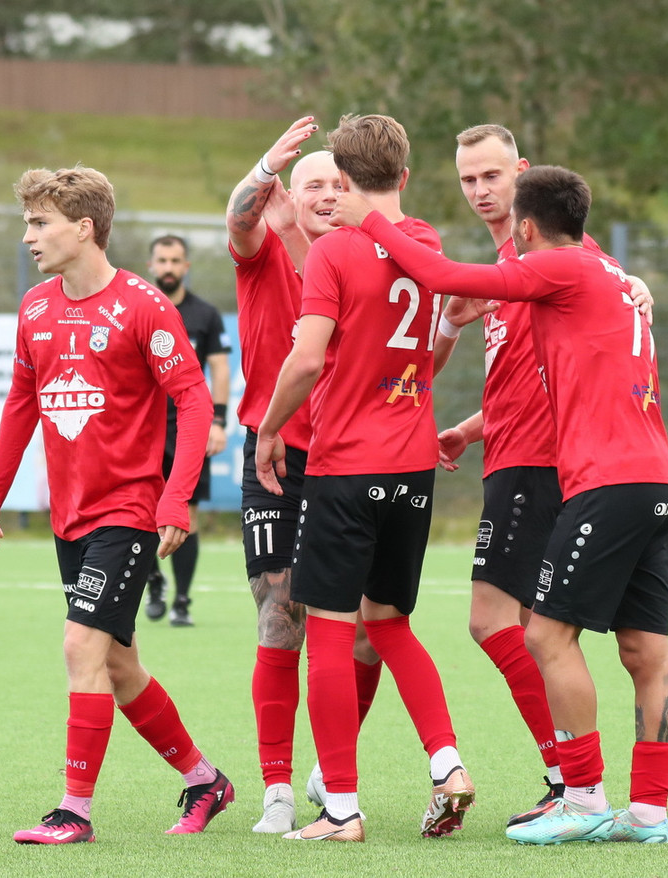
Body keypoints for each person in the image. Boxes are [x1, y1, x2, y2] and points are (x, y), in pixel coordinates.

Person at [331, 164, 668, 845]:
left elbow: (440, 275)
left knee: (546, 635)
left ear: (525, 228)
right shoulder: (611, 276)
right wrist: (473, 426)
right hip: (656, 481)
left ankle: (581, 797)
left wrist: (366, 218)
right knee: (647, 650)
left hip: (606, 483)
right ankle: (648, 811)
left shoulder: (558, 266)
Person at [0, 165, 233, 844]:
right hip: (71, 516)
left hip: (128, 509)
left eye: (40, 223)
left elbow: (194, 401)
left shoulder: (144, 305)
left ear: (84, 228)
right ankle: (205, 780)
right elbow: (21, 404)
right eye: (28, 223)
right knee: (118, 665)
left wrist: (175, 499)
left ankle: (74, 812)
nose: (28, 236)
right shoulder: (35, 308)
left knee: (79, 645)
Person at [256, 113, 475, 843]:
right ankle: (446, 763)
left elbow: (306, 360)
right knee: (390, 625)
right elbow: (425, 345)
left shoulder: (334, 252)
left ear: (344, 179)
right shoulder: (426, 241)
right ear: (404, 176)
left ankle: (342, 809)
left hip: (347, 466)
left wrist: (268, 429)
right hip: (413, 469)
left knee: (328, 632)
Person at [432, 125, 653, 828]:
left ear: (521, 174)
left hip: (540, 460)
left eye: (492, 175)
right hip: (510, 451)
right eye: (468, 179)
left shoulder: (554, 257)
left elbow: (610, 292)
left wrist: (638, 285)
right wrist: (472, 426)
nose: (479, 190)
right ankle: (577, 782)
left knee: (494, 620)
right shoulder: (508, 267)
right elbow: (532, 375)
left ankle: (568, 777)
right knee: (534, 626)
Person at [226, 116, 383, 834]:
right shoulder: (262, 251)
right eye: (311, 184)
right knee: (280, 613)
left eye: (338, 184)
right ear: (288, 196)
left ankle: (332, 767)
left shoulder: (369, 260)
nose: (325, 194)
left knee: (363, 630)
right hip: (277, 461)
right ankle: (278, 789)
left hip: (352, 459)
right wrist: (264, 171)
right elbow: (239, 217)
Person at [144, 234, 232, 626]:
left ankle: (181, 601)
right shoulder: (141, 309)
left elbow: (220, 368)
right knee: (142, 511)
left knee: (187, 514)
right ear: (151, 265)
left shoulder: (205, 314)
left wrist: (218, 422)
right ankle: (153, 583)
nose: (168, 267)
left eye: (175, 260)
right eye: (162, 260)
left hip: (188, 429)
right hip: (145, 430)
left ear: (186, 266)